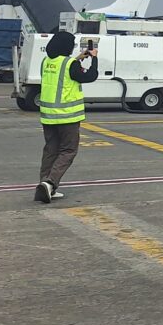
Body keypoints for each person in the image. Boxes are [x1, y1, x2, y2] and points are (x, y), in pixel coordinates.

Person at [36, 31, 99, 203]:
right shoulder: (69, 63)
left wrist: (80, 57)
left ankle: (44, 185)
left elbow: (63, 70)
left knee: (50, 150)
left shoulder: (46, 61)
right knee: (68, 151)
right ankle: (50, 183)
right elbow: (90, 76)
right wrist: (94, 58)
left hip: (48, 116)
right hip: (67, 117)